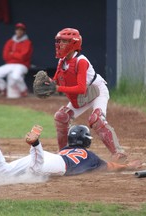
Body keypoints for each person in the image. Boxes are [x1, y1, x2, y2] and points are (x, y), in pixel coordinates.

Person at [47, 28, 127, 162]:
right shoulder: (62, 62)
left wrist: (57, 88)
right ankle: (63, 153)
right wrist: (48, 83)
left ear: (73, 44)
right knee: (61, 118)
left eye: (64, 42)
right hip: (82, 96)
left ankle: (118, 153)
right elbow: (56, 80)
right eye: (59, 41)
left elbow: (81, 88)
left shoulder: (81, 61)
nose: (60, 44)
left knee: (97, 119)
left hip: (96, 92)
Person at [0, 125, 141, 177]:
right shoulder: (91, 156)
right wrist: (127, 165)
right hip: (55, 164)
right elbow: (110, 166)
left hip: (52, 157)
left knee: (3, 171)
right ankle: (35, 143)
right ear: (86, 141)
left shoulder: (65, 149)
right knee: (36, 170)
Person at [0, 23, 33, 98]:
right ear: (15, 31)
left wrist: (12, 54)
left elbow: (23, 57)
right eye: (17, 29)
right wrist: (16, 54)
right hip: (9, 64)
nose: (19, 31)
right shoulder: (10, 42)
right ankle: (4, 89)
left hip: (22, 65)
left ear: (24, 32)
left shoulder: (27, 42)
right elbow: (5, 56)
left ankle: (23, 90)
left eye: (21, 30)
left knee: (15, 76)